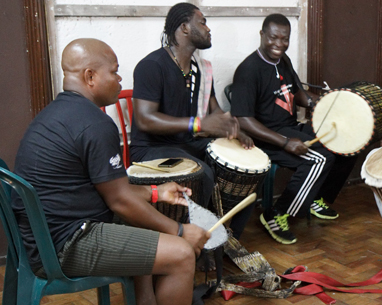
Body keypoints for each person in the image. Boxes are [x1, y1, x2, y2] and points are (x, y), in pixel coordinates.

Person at [12, 38, 210, 305]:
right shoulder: (94, 124)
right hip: (65, 244)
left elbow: (112, 190)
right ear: (90, 76)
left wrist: (155, 191)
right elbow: (119, 200)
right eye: (114, 71)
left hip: (47, 236)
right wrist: (181, 232)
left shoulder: (56, 113)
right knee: (182, 254)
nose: (119, 79)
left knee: (143, 224)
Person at [231, 14, 357, 245]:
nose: (279, 44)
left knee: (347, 144)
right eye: (273, 38)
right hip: (267, 137)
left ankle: (316, 198)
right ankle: (276, 214)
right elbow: (244, 120)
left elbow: (297, 92)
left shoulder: (283, 61)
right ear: (262, 35)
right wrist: (284, 143)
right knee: (319, 158)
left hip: (290, 128)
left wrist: (319, 102)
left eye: (285, 39)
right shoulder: (248, 70)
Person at [130, 3, 253, 239]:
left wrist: (234, 130)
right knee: (203, 172)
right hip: (150, 150)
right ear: (185, 28)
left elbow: (215, 112)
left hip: (185, 144)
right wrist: (198, 124)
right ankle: (198, 241)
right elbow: (145, 120)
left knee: (243, 166)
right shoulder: (152, 66)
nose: (208, 29)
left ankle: (227, 236)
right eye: (203, 22)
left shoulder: (201, 69)